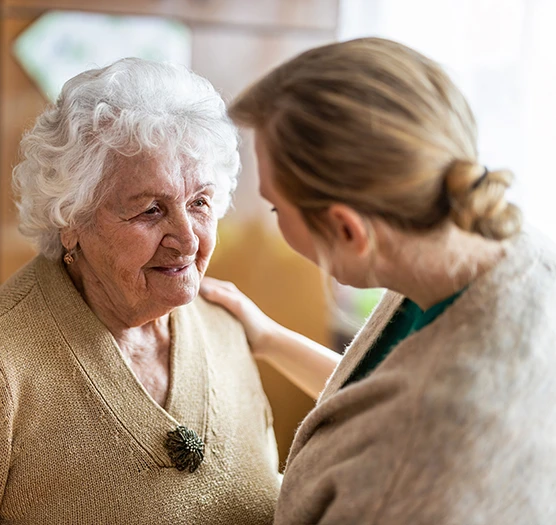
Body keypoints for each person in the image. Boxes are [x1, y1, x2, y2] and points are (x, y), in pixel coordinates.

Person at [0, 58, 280, 525]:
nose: (188, 239)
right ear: (71, 220)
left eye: (199, 203)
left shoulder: (226, 329)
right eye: (151, 210)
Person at [200, 37, 556, 524]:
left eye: (276, 207)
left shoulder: (416, 464)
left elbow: (404, 427)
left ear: (347, 229)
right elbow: (379, 397)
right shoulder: (500, 250)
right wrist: (269, 339)